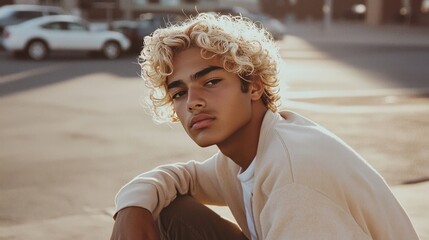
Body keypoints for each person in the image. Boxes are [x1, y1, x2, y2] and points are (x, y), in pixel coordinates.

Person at [110, 13, 419, 240]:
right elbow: (182, 177)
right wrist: (131, 209)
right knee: (169, 210)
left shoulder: (295, 178)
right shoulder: (244, 156)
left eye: (211, 82)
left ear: (254, 86)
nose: (193, 102)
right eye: (179, 93)